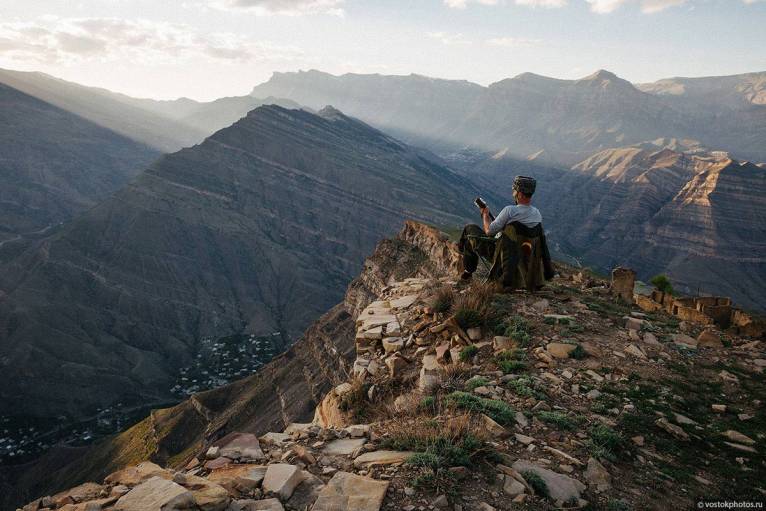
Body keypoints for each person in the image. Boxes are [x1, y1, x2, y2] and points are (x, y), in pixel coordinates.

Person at [458, 175, 554, 291]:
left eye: (514, 190)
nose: (513, 193)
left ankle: (466, 269)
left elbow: (489, 231)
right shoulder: (536, 214)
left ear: (519, 193)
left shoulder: (510, 210)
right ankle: (467, 270)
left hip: (504, 257)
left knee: (469, 229)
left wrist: (485, 215)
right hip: (525, 256)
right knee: (475, 238)